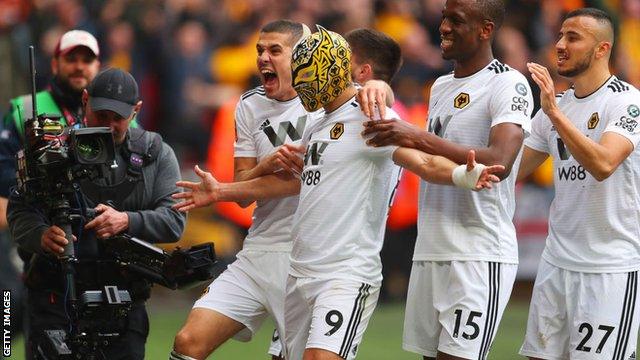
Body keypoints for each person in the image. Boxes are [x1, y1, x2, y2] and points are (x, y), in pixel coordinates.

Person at [173, 25, 503, 360]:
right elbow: (293, 182)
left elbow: (419, 160)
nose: (300, 83)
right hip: (298, 271)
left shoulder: (369, 113)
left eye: (302, 72)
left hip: (345, 271)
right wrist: (225, 189)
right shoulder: (314, 124)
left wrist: (463, 174)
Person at [170, 20, 399, 360]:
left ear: (301, 55)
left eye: (275, 50)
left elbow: (371, 94)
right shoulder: (249, 105)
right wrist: (264, 166)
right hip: (260, 248)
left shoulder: (325, 101)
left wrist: (380, 85)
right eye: (260, 50)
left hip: (307, 257)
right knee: (188, 341)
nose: (263, 58)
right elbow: (245, 191)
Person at [362, 0, 533, 359]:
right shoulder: (440, 86)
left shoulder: (509, 82)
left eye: (455, 20)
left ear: (485, 29)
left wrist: (414, 136)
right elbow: (429, 159)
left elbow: (500, 159)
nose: (443, 28)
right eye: (443, 19)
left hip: (478, 252)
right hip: (431, 248)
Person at [7, 67, 185, 359]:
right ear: (85, 100)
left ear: (137, 110)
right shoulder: (52, 150)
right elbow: (19, 210)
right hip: (57, 298)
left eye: (119, 118)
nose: (109, 125)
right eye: (102, 115)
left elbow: (175, 220)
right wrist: (41, 235)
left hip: (123, 302)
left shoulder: (156, 153)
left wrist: (127, 220)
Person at [517, 8, 640, 360]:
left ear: (602, 49)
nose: (559, 45)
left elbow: (603, 164)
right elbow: (508, 169)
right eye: (559, 36)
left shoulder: (627, 102)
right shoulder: (558, 106)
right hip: (557, 262)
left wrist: (554, 114)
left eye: (573, 38)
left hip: (609, 267)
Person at [0, 28, 102, 344]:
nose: (80, 66)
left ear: (97, 66)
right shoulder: (24, 109)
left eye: (87, 59)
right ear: (55, 63)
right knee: (12, 307)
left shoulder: (112, 113)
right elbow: (5, 184)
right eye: (71, 58)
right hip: (34, 232)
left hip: (94, 239)